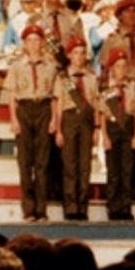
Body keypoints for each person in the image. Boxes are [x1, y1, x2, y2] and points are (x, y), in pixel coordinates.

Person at [6, 24, 58, 220]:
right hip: (25, 109)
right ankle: (28, 208)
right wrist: (13, 119)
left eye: (37, 40)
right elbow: (12, 95)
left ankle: (41, 208)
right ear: (24, 44)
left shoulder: (50, 66)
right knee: (25, 162)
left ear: (42, 43)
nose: (34, 44)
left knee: (43, 162)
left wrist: (53, 118)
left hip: (43, 108)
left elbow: (54, 95)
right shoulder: (17, 66)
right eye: (30, 41)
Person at [52, 36, 97, 220]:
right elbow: (58, 102)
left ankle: (82, 205)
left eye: (82, 53)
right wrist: (58, 129)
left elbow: (95, 103)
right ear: (69, 55)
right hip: (69, 119)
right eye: (75, 53)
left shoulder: (91, 78)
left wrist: (97, 128)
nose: (79, 57)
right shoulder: (63, 77)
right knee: (70, 165)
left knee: (84, 165)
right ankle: (70, 206)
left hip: (86, 121)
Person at [97, 48, 135, 220]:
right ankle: (113, 207)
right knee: (113, 172)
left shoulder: (132, 87)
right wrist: (104, 136)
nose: (121, 70)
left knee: (127, 171)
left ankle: (125, 206)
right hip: (112, 130)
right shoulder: (106, 89)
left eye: (124, 66)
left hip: (128, 129)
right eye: (118, 67)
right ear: (112, 69)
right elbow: (102, 114)